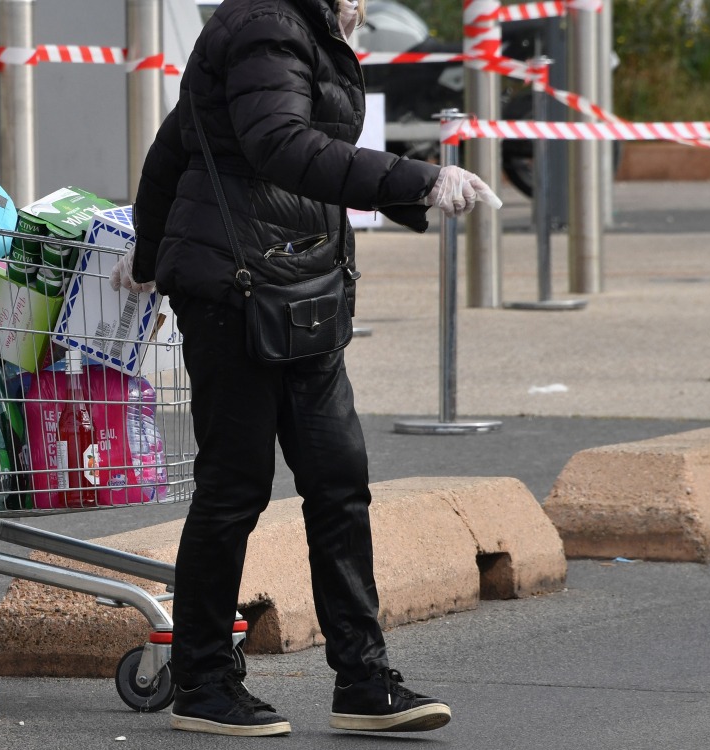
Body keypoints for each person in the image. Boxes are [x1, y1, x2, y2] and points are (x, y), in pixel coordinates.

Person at [118, 0, 498, 737]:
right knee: (235, 487)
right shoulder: (268, 24)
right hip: (238, 285)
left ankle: (362, 678)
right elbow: (279, 146)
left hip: (300, 285)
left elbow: (176, 140)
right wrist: (414, 180)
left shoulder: (299, 26)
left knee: (338, 479)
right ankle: (203, 679)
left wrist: (147, 245)